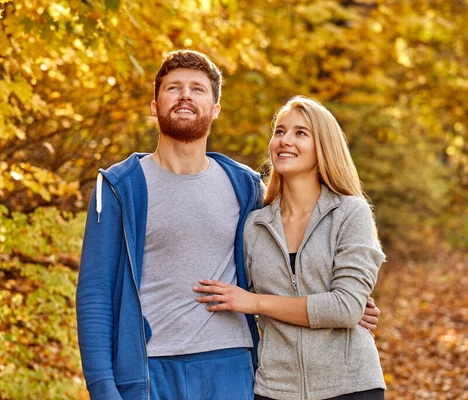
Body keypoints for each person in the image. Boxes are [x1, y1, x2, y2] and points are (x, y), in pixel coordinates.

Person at [77, 52, 380, 400]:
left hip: (233, 367)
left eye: (198, 89)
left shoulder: (245, 187)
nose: (185, 95)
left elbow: (280, 273)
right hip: (149, 368)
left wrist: (348, 306)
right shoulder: (120, 187)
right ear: (154, 106)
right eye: (173, 88)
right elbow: (95, 295)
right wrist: (102, 387)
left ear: (216, 109)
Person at [194, 96, 386, 400]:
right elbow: (230, 296)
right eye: (280, 131)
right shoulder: (254, 226)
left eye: (300, 133)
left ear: (323, 145)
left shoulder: (351, 212)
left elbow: (346, 308)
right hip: (275, 389)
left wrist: (256, 302)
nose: (285, 140)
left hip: (350, 385)